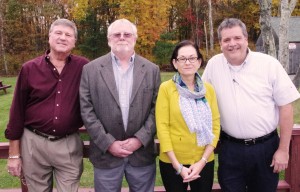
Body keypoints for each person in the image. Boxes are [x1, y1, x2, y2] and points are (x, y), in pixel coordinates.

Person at [202, 18, 300, 192]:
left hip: (265, 150)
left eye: (237, 38)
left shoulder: (269, 65)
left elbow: (286, 107)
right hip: (229, 149)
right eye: (226, 40)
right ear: (220, 43)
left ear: (247, 39)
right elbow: (202, 101)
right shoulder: (213, 66)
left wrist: (283, 150)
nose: (232, 44)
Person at [5, 18, 89, 192]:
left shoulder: (84, 67)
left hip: (68, 144)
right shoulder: (29, 68)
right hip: (34, 143)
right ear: (49, 36)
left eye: (68, 35)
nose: (63, 38)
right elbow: (17, 112)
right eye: (58, 33)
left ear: (74, 41)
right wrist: (14, 154)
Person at [79, 18, 161, 192]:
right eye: (117, 34)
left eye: (127, 34)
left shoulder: (151, 70)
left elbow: (157, 109)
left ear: (135, 38)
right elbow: (87, 110)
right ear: (109, 39)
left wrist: (140, 139)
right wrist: (108, 143)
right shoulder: (91, 70)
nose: (122, 37)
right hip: (105, 155)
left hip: (141, 155)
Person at [156, 40, 221, 192]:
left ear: (199, 62)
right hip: (172, 161)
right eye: (182, 59)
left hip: (203, 160)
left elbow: (215, 125)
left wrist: (203, 161)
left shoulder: (208, 90)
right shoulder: (166, 89)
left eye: (192, 58)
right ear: (175, 62)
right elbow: (162, 127)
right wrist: (178, 166)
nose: (187, 62)